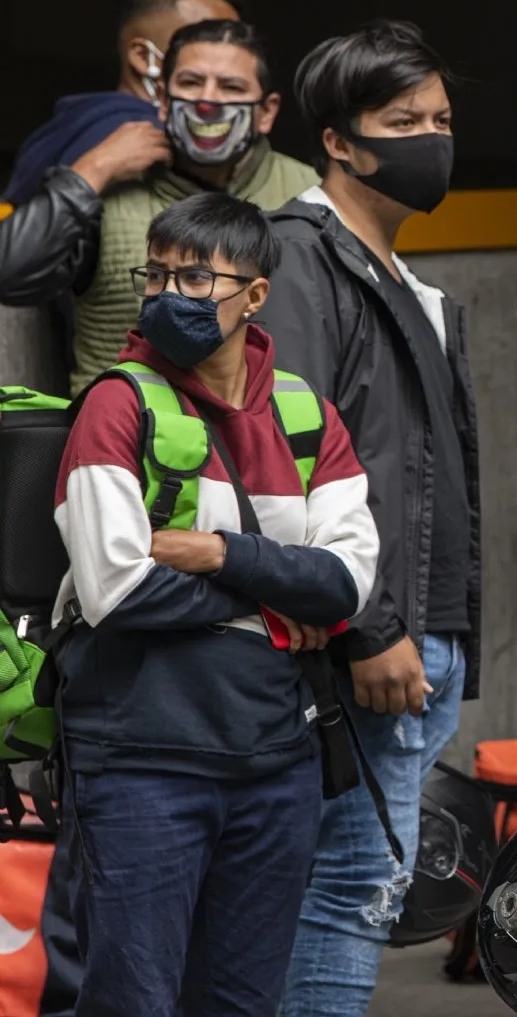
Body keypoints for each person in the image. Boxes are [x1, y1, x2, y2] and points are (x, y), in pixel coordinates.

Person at [53, 192, 378, 1016]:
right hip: (141, 767)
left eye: (198, 279)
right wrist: (272, 592)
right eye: (157, 275)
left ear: (255, 295)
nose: (171, 295)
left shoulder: (307, 415)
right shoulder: (116, 405)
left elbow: (344, 585)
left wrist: (220, 552)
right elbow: (116, 587)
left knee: (240, 1004)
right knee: (133, 1000)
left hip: (277, 768)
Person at [258, 21, 478, 1017]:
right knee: (351, 885)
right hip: (374, 639)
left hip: (423, 634)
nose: (431, 137)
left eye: (439, 117)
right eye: (403, 121)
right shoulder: (301, 258)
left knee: (352, 881)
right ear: (338, 140)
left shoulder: (403, 280)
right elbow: (290, 453)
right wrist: (369, 626)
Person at [1, 19, 317, 394]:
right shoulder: (109, 196)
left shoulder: (308, 192)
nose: (207, 102)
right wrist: (92, 169)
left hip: (268, 439)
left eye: (230, 86)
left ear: (266, 112)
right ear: (164, 102)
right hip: (121, 435)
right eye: (191, 82)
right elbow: (10, 274)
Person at [3, 0, 248, 206]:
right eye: (209, 43)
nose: (229, 61)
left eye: (237, 44)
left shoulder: (71, 124)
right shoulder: (144, 144)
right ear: (143, 57)